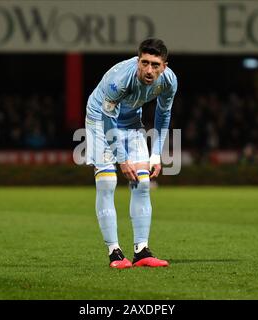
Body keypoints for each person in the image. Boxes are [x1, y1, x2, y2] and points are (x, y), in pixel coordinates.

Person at [85, 38, 178, 268]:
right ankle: (114, 252)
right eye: (144, 63)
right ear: (138, 61)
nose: (149, 70)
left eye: (155, 65)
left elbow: (163, 115)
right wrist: (122, 159)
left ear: (164, 66)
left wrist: (156, 155)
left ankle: (142, 251)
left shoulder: (169, 81)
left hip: (131, 121)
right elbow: (108, 118)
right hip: (100, 120)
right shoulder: (119, 80)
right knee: (107, 183)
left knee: (142, 184)